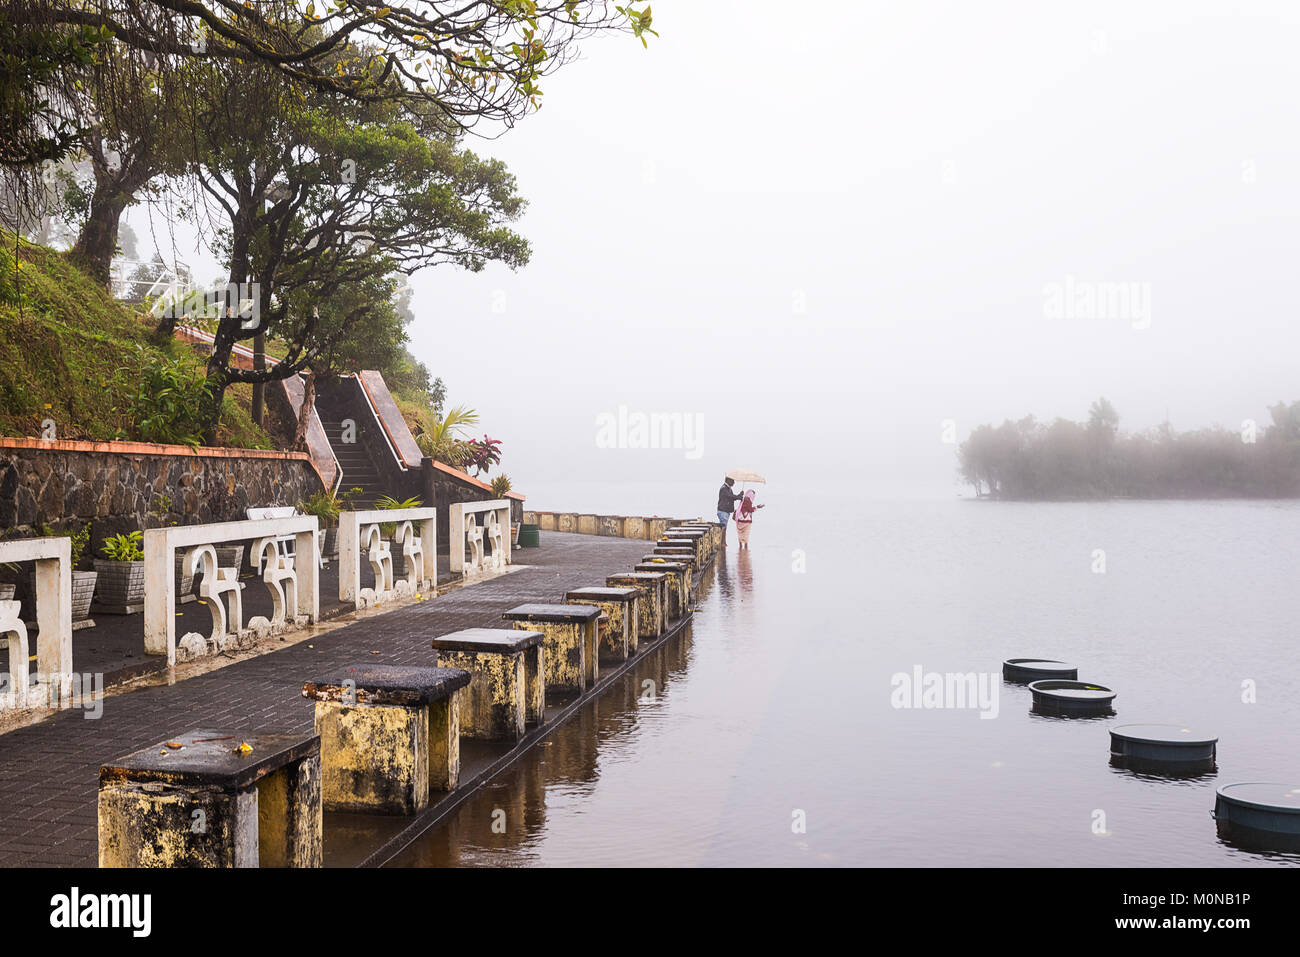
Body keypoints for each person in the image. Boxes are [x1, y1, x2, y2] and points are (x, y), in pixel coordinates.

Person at [716, 477, 741, 544]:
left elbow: (732, 497)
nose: (733, 483)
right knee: (724, 527)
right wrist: (738, 497)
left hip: (725, 511)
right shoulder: (724, 488)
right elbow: (730, 496)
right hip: (723, 511)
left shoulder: (728, 489)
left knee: (724, 527)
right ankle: (722, 542)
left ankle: (723, 542)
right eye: (732, 481)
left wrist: (739, 496)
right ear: (728, 481)